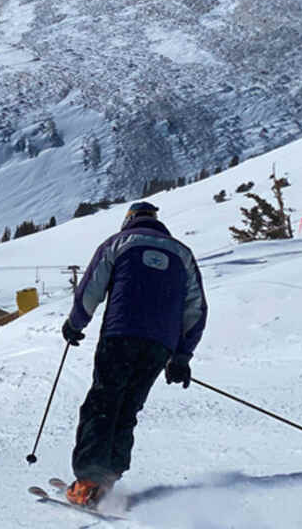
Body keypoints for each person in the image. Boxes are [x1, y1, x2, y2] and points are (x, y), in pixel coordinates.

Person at [61, 201, 207, 507]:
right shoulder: (183, 253)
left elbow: (91, 288)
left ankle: (88, 482)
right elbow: (196, 309)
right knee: (128, 407)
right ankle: (107, 481)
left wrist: (76, 324)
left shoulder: (118, 243)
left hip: (120, 334)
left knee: (103, 402)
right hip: (159, 345)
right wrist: (181, 357)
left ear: (128, 220)